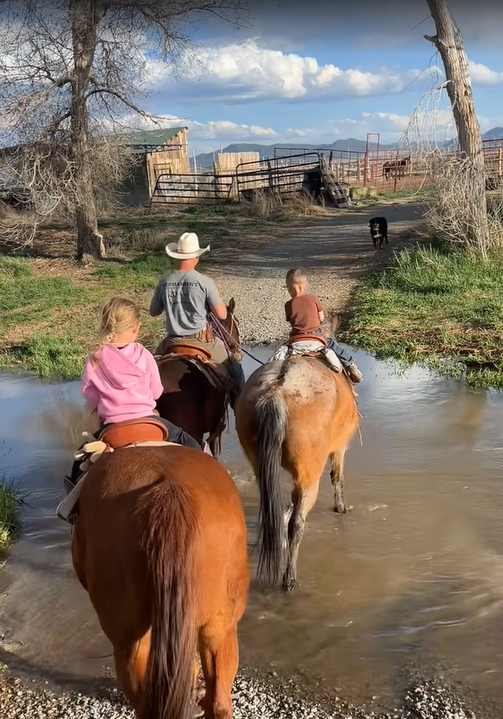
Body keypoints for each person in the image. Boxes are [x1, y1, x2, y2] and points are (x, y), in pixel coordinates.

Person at [66, 296, 205, 487]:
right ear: (136, 328)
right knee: (189, 442)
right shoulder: (143, 354)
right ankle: (211, 474)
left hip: (114, 429)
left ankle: (70, 507)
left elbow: (89, 395)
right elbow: (156, 392)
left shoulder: (95, 357)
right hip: (149, 423)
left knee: (78, 465)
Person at [150, 231, 245, 404]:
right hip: (202, 341)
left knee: (148, 372)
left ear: (177, 257)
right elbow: (223, 314)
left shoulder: (164, 282)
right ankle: (239, 408)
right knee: (234, 367)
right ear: (196, 257)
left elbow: (154, 311)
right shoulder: (204, 282)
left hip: (171, 342)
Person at [284, 268, 363, 383]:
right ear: (305, 287)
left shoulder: (288, 305)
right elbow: (321, 319)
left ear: (289, 289)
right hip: (316, 335)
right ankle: (351, 365)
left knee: (279, 356)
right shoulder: (313, 299)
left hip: (296, 338)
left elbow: (291, 320)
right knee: (334, 346)